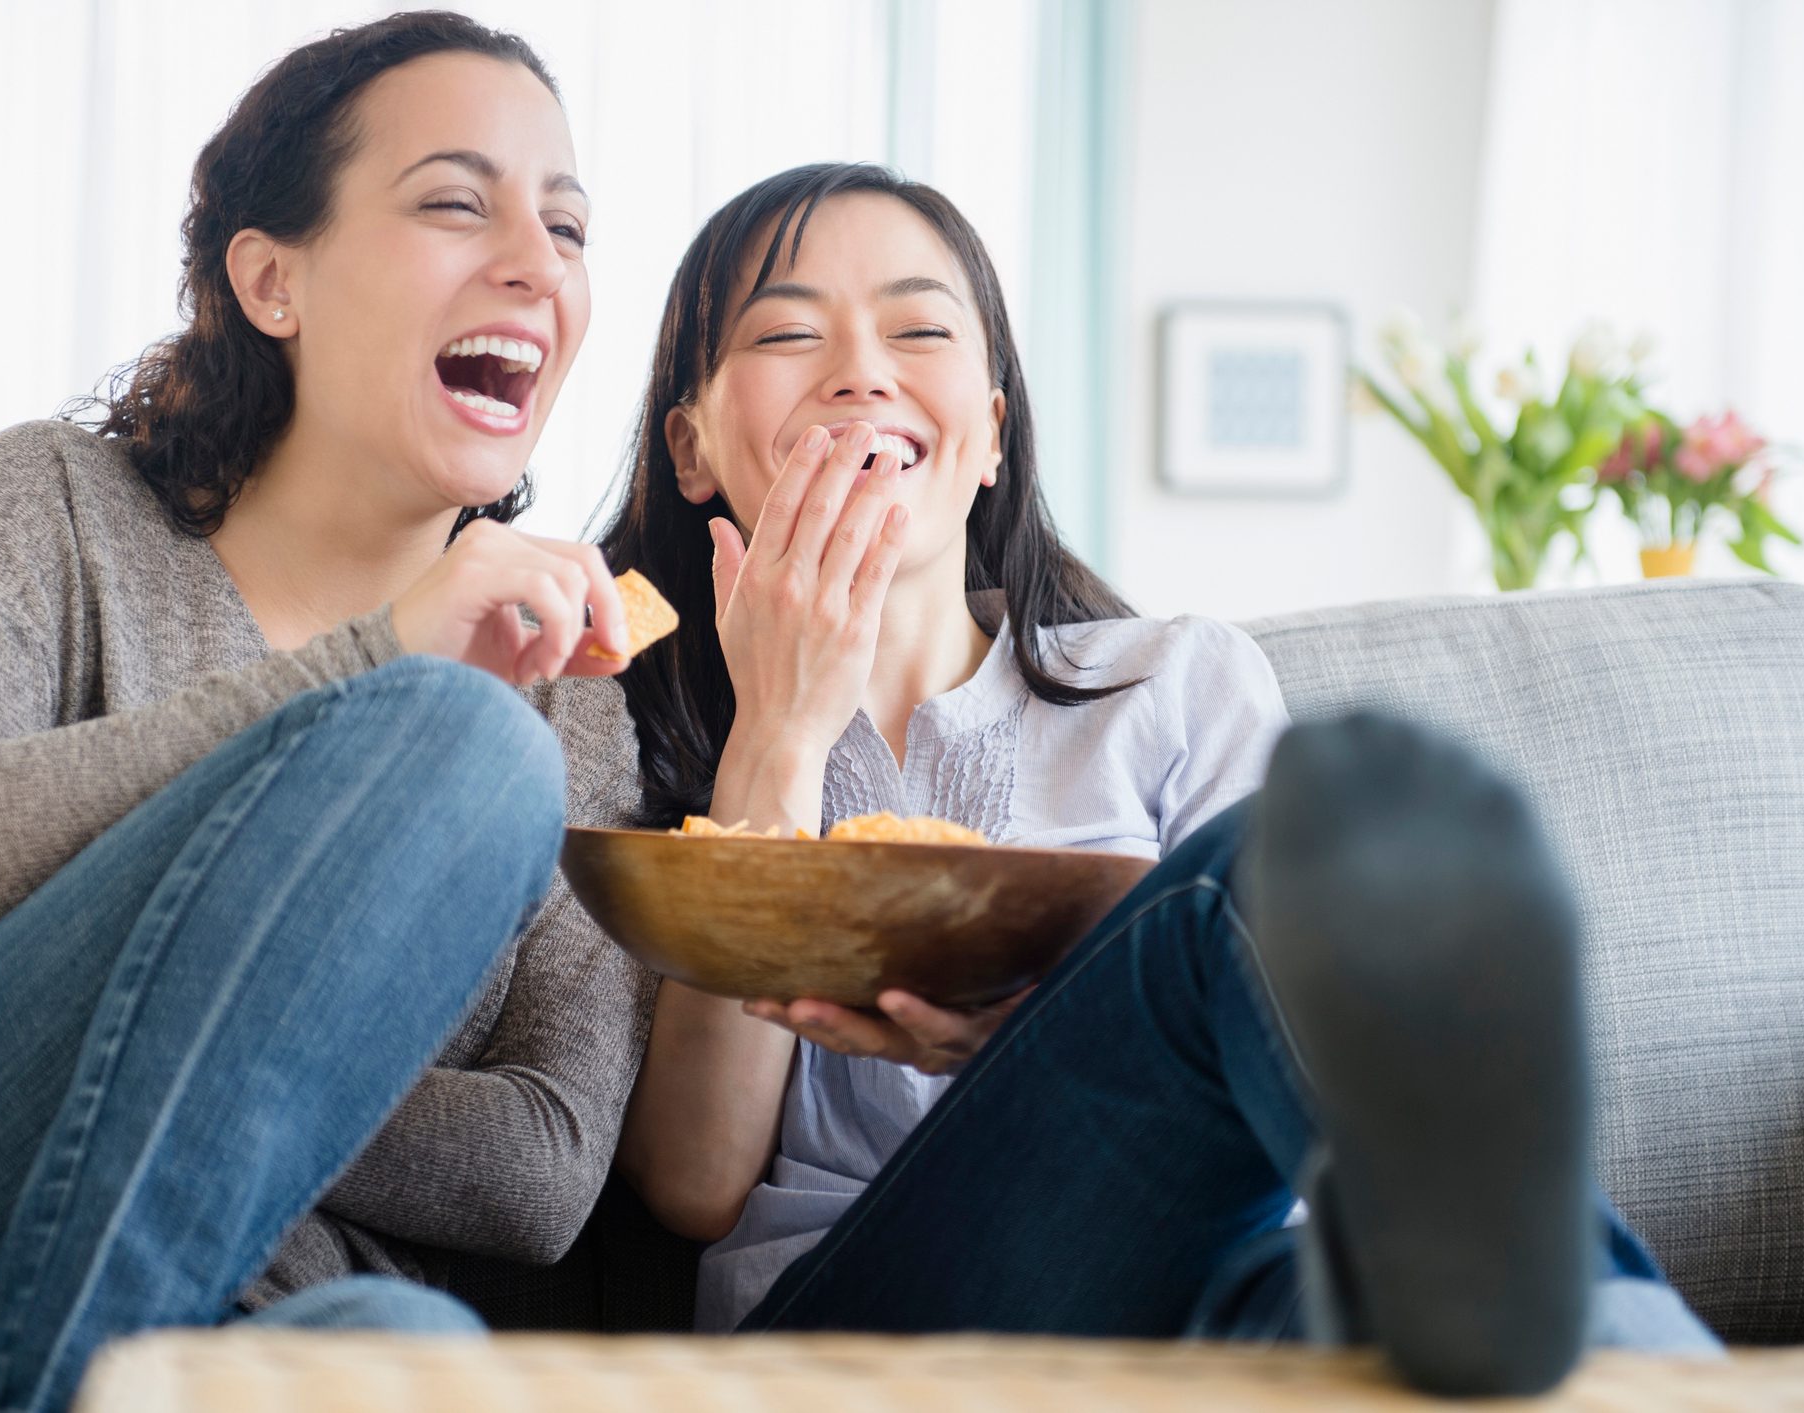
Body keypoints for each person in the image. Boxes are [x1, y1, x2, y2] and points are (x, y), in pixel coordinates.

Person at [602, 162, 1721, 1395]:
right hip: (862, 1309)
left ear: (986, 432)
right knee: (1240, 881)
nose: (862, 370)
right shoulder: (631, 723)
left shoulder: (1172, 684)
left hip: (1201, 1285)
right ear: (692, 445)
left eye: (918, 328)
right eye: (789, 332)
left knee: (1377, 1310)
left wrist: (1031, 1023)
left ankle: (1598, 1339)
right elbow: (695, 1184)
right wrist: (780, 727)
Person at [0, 15, 652, 1412]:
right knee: (459, 744)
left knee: (411, 1364)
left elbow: (540, 1167)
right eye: (451, 201)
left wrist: (90, 986)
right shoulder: (49, 505)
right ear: (270, 279)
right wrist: (379, 662)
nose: (533, 263)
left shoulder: (581, 701)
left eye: (567, 225)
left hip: (249, 1319)